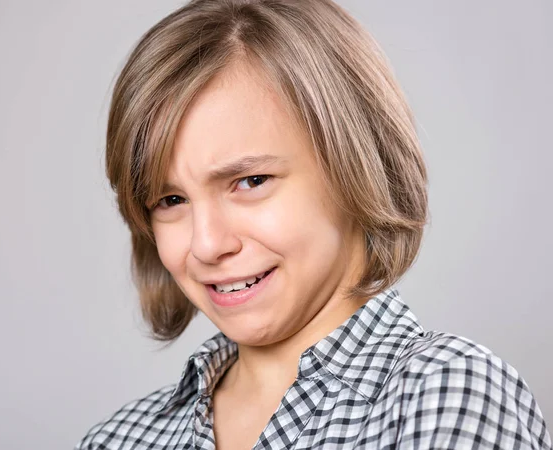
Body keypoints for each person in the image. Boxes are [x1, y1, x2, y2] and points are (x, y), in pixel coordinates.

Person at [75, 0, 551, 448]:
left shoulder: (445, 398)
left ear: (356, 167)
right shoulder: (121, 439)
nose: (206, 243)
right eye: (170, 199)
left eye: (251, 180)